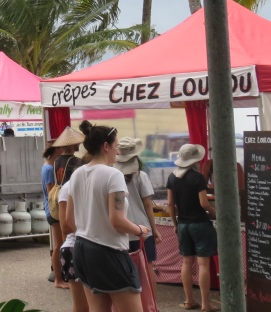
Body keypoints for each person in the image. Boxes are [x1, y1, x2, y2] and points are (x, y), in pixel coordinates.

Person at [67, 120, 149, 312]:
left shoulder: (77, 174)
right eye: (116, 146)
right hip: (109, 252)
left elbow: (69, 220)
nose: (118, 152)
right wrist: (140, 230)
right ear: (106, 146)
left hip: (82, 249)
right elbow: (117, 220)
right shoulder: (114, 175)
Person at [166, 143, 217, 312]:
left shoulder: (172, 178)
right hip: (200, 224)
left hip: (183, 225)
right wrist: (215, 213)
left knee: (186, 262)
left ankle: (189, 301)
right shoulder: (197, 178)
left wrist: (175, 223)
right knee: (203, 264)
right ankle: (205, 304)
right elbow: (204, 203)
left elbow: (170, 204)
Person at [115, 137, 160, 295]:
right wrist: (155, 230)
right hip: (143, 229)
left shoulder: (113, 177)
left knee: (126, 270)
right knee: (148, 268)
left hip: (122, 229)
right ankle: (151, 305)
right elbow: (148, 205)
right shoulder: (141, 176)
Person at [48, 125, 86, 289]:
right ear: (71, 145)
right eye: (76, 142)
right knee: (69, 240)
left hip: (57, 202)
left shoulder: (56, 161)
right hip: (69, 203)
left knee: (60, 243)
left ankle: (59, 277)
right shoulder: (75, 162)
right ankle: (66, 276)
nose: (79, 145)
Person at [59, 157, 89, 312]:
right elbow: (65, 226)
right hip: (74, 247)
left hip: (91, 246)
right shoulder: (68, 187)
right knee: (82, 306)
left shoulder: (91, 185)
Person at [42, 141, 63, 285]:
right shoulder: (49, 168)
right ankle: (57, 278)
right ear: (56, 151)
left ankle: (59, 276)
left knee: (59, 244)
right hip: (53, 211)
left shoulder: (46, 166)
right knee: (59, 245)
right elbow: (51, 192)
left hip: (50, 210)